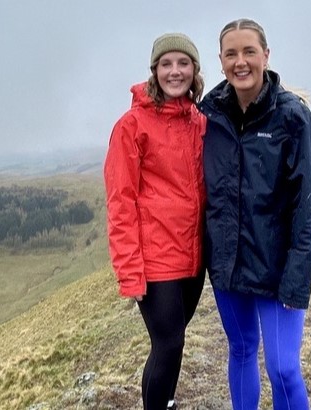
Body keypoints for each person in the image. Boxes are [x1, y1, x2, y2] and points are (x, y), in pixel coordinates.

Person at [198, 18, 311, 409]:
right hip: (227, 264)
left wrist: (297, 279)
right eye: (231, 53)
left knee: (283, 369)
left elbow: (307, 205)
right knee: (242, 349)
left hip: (277, 267)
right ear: (220, 61)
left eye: (249, 51)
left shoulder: (293, 118)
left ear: (266, 55)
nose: (240, 61)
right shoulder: (208, 115)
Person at [104, 32, 206, 410]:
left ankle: (162, 402)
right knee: (169, 344)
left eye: (183, 63)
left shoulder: (199, 121)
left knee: (170, 343)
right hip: (155, 260)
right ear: (154, 70)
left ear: (195, 70)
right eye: (166, 64)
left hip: (193, 259)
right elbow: (120, 202)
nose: (174, 71)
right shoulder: (131, 126)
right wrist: (130, 271)